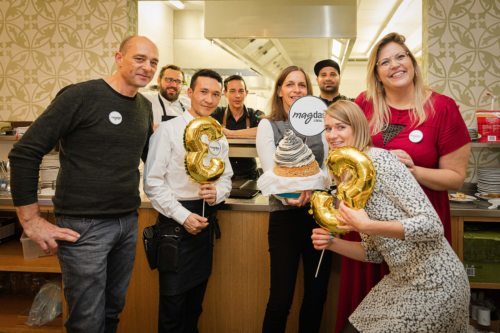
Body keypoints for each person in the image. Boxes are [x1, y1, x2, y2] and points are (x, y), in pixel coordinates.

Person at [8, 35, 159, 333]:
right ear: (118, 57)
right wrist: (31, 219)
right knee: (86, 321)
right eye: (139, 58)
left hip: (127, 223)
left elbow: (153, 160)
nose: (147, 67)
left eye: (153, 62)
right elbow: (25, 152)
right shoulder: (81, 96)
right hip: (84, 226)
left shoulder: (143, 107)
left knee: (112, 311)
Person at [332, 31, 472, 332]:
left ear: (412, 61)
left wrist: (415, 171)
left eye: (400, 56)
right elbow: (349, 151)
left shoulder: (442, 108)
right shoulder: (365, 105)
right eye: (385, 62)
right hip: (373, 222)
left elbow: (457, 178)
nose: (395, 65)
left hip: (420, 220)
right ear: (376, 73)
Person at [312, 100, 470, 332]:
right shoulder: (347, 177)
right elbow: (374, 253)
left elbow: (432, 226)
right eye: (328, 128)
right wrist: (333, 243)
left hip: (436, 283)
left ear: (357, 127)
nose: (332, 135)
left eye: (341, 127)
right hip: (400, 280)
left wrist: (368, 225)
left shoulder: (381, 161)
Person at [144, 68, 233, 333]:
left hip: (205, 223)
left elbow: (226, 176)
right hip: (175, 225)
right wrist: (184, 217)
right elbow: (152, 182)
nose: (209, 99)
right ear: (190, 92)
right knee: (172, 308)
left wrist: (218, 192)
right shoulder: (168, 131)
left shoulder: (217, 134)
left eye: (216, 94)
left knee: (195, 307)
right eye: (203, 92)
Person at [256, 65, 332, 333]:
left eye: (301, 85)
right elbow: (270, 171)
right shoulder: (268, 124)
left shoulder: (322, 123)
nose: (296, 90)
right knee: (280, 297)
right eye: (290, 84)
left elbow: (327, 169)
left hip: (319, 217)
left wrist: (312, 190)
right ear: (279, 90)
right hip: (283, 218)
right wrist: (290, 195)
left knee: (316, 294)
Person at [211, 75, 264, 180]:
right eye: (232, 91)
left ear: (246, 93)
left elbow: (265, 128)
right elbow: (205, 126)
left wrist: (230, 133)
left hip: (250, 176)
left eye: (241, 91)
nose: (237, 95)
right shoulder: (216, 114)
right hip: (221, 176)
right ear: (225, 93)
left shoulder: (255, 115)